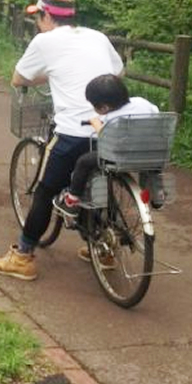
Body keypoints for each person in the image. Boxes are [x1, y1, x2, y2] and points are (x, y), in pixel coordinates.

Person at [0, 0, 124, 281]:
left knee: (45, 190)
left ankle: (23, 256)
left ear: (47, 15)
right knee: (97, 182)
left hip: (74, 131)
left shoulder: (44, 41)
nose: (37, 22)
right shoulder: (97, 36)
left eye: (38, 17)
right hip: (111, 129)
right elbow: (117, 72)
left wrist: (51, 73)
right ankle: (103, 249)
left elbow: (18, 79)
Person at [51, 75, 164, 265]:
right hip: (149, 152)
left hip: (120, 156)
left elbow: (106, 137)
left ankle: (72, 199)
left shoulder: (112, 117)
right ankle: (156, 191)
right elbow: (156, 114)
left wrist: (96, 123)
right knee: (149, 162)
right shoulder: (141, 102)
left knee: (85, 161)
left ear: (103, 107)